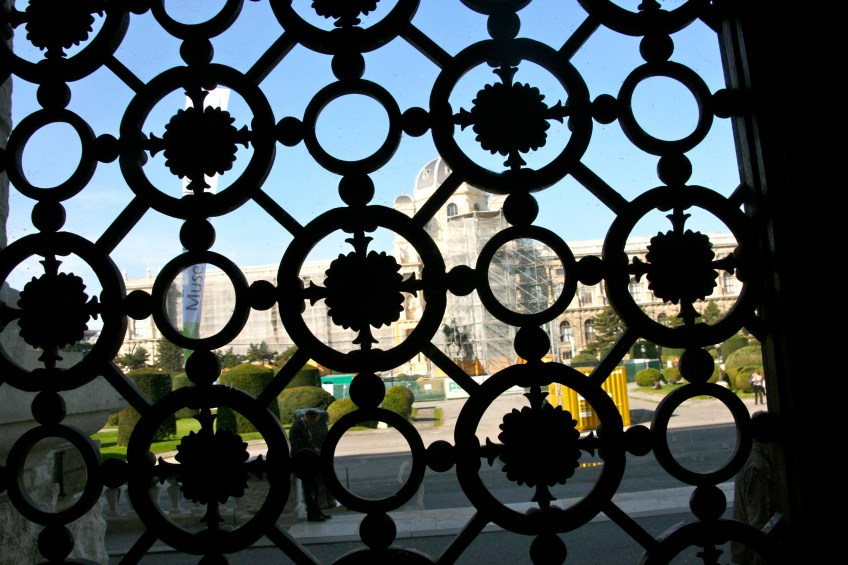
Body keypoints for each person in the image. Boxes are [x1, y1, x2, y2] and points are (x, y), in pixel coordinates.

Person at [288, 409, 331, 522]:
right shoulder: (298, 427)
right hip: (304, 463)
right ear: (309, 418)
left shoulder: (302, 425)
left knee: (313, 488)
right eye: (314, 421)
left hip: (306, 461)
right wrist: (313, 450)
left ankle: (316, 512)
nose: (314, 424)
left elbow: (307, 441)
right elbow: (299, 445)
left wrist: (315, 449)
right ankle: (313, 514)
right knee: (310, 489)